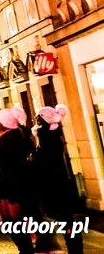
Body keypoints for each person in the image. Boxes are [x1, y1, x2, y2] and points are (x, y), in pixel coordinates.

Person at [0, 107, 40, 254]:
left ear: (2, 123)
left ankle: (26, 250)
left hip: (14, 185)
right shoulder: (5, 139)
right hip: (6, 184)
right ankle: (25, 249)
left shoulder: (12, 139)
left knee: (15, 224)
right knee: (11, 223)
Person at [36, 105, 84, 254]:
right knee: (65, 218)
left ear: (44, 119)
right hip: (57, 182)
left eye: (38, 116)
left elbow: (45, 161)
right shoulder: (51, 135)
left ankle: (75, 249)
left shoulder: (47, 137)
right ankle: (75, 248)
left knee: (65, 219)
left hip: (54, 183)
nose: (35, 119)